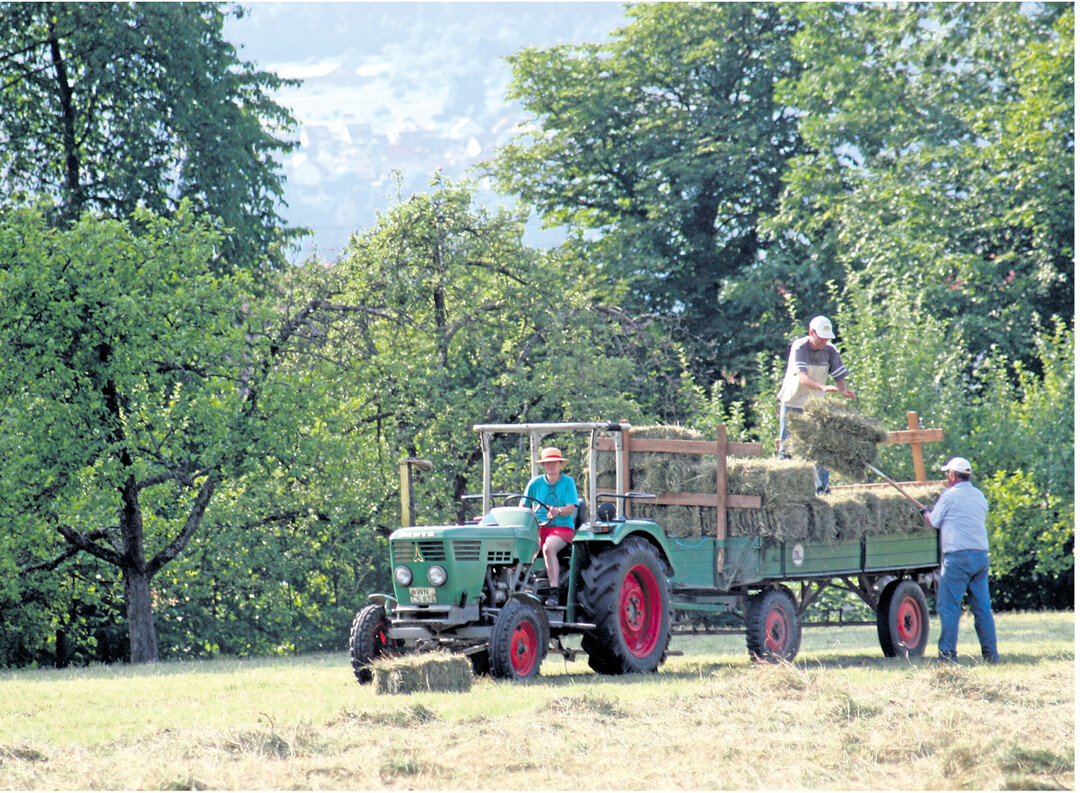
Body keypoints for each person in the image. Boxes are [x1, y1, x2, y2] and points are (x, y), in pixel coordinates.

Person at [921, 456, 999, 663]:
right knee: (982, 608)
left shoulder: (950, 496)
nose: (947, 477)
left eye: (948, 473)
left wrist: (925, 513)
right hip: (980, 555)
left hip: (957, 557)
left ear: (953, 475)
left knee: (949, 607)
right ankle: (991, 655)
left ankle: (947, 655)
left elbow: (934, 521)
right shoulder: (979, 495)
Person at [777, 315, 856, 494]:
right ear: (811, 332)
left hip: (815, 404)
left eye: (827, 338)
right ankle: (783, 490)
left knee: (820, 446)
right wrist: (822, 387)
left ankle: (822, 489)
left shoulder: (830, 350)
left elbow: (839, 375)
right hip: (793, 401)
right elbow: (803, 377)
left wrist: (843, 390)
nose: (824, 341)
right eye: (821, 337)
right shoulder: (799, 347)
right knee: (787, 447)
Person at [522, 447, 578, 607]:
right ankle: (522, 587)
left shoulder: (567, 482)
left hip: (561, 526)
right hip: (538, 527)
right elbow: (523, 505)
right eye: (547, 463)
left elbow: (571, 508)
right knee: (517, 545)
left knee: (548, 547)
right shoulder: (535, 483)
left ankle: (554, 591)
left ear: (560, 464)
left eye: (554, 463)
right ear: (543, 466)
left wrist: (558, 511)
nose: (550, 466)